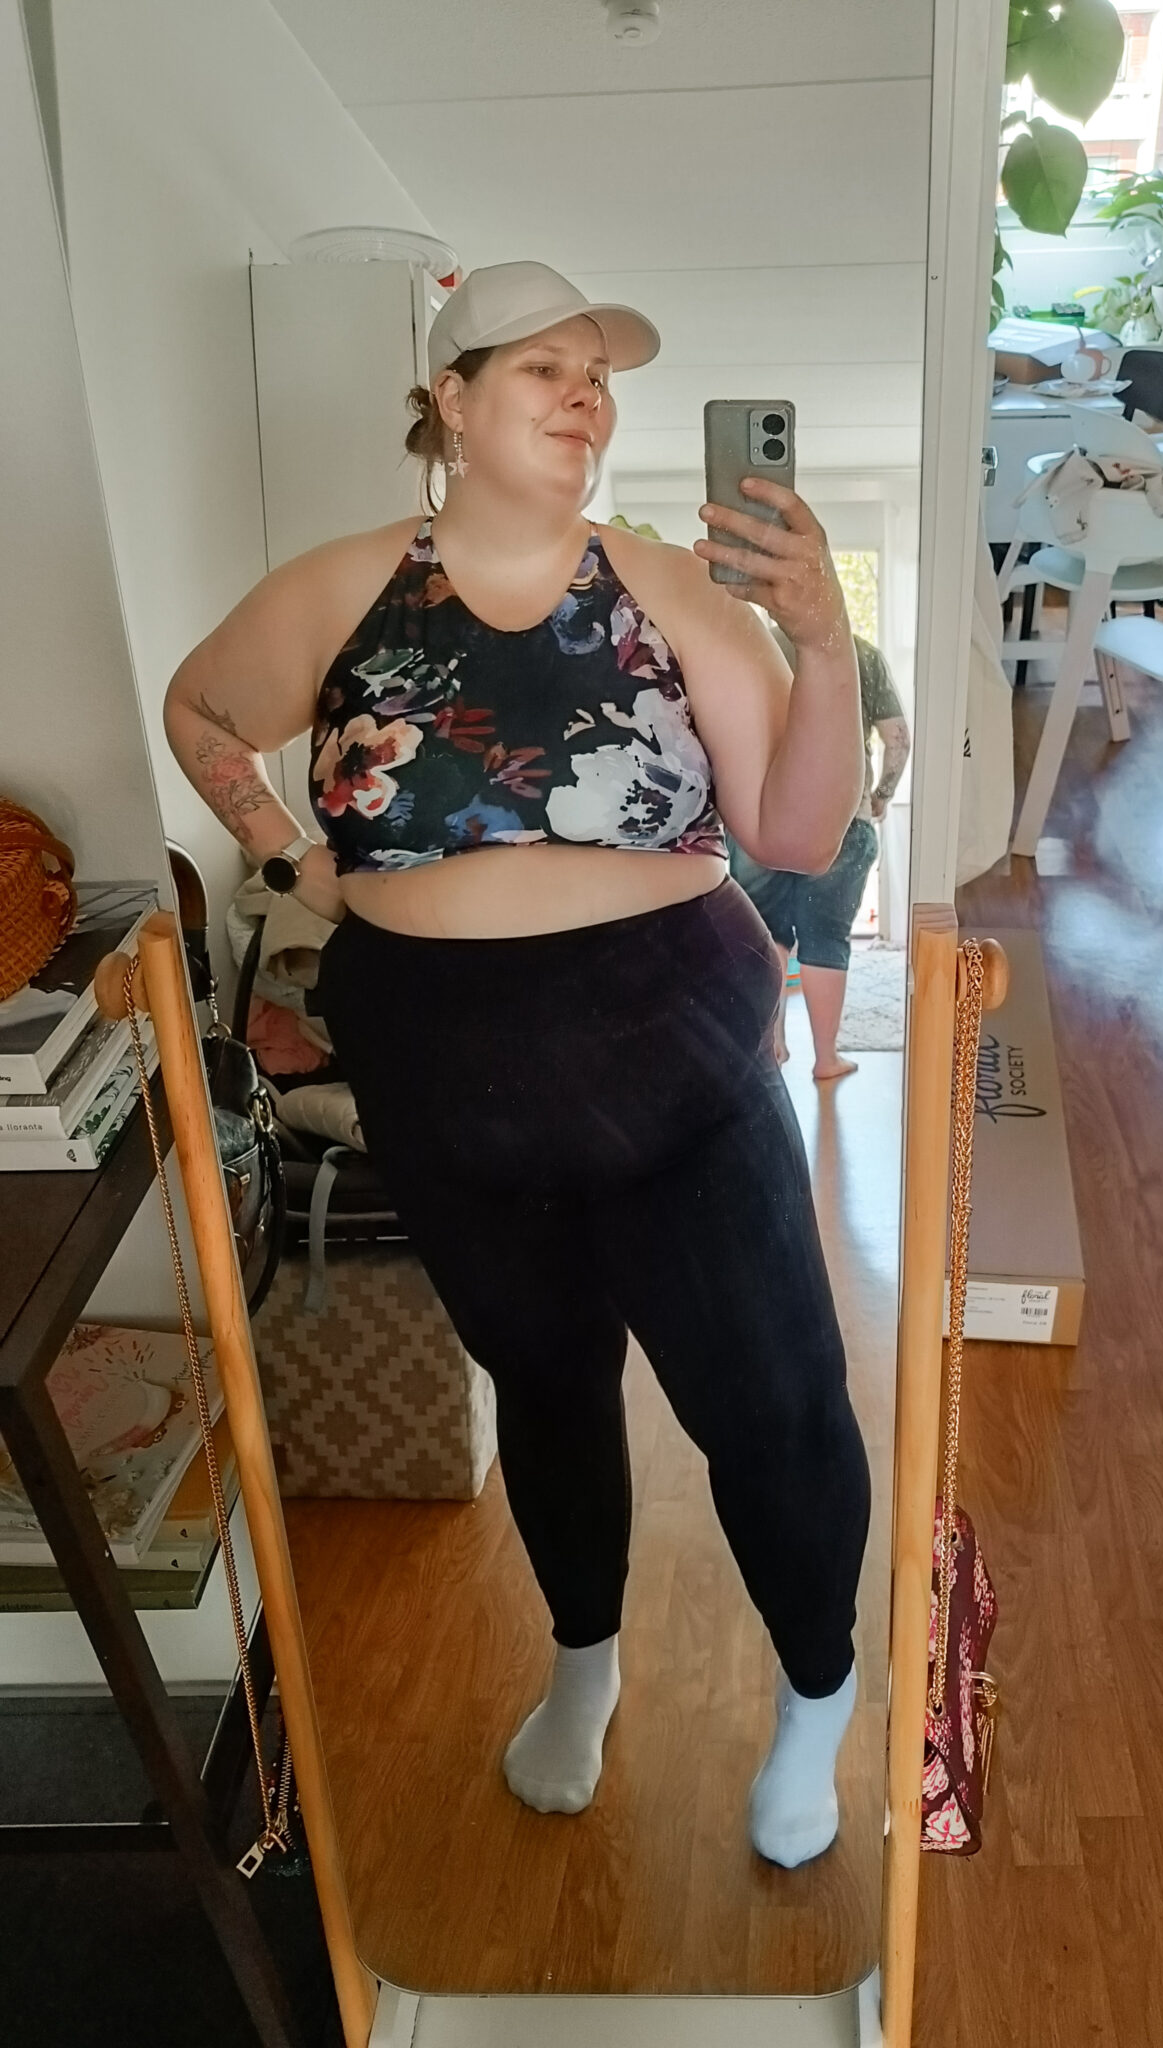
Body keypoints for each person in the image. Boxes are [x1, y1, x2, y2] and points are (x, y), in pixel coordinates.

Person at [163, 262, 872, 1871]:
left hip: (673, 1049)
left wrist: (822, 642)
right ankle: (585, 1660)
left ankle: (816, 1692)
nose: (585, 393)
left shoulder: (671, 590)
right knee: (545, 1391)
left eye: (598, 374)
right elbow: (202, 708)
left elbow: (794, 831)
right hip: (444, 1070)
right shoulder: (341, 591)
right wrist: (285, 858)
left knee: (769, 1400)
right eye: (544, 366)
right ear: (453, 401)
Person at [729, 634, 909, 1080]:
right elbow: (898, 740)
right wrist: (882, 793)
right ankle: (826, 1058)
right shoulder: (861, 654)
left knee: (765, 930)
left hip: (762, 814)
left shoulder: (749, 645)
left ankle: (772, 1044)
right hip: (842, 818)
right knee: (826, 937)